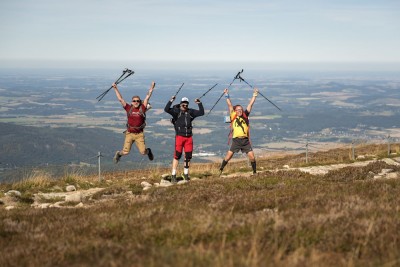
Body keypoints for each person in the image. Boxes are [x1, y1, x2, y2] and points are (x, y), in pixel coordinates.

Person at [112, 81, 155, 163]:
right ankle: (118, 154)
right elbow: (120, 99)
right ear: (132, 102)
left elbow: (147, 97)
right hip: (130, 133)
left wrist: (152, 87)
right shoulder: (129, 108)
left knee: (143, 152)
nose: (136, 102)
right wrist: (115, 88)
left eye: (137, 101)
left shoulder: (143, 108)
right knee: (125, 152)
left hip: (139, 134)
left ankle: (148, 151)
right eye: (134, 101)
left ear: (140, 102)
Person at [164, 96, 204, 183]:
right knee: (177, 155)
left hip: (189, 137)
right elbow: (166, 109)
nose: (185, 106)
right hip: (180, 137)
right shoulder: (176, 112)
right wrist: (171, 100)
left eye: (186, 104)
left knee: (188, 156)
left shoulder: (190, 112)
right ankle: (173, 175)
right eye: (183, 104)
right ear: (180, 104)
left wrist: (199, 103)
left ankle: (185, 174)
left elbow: (202, 112)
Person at [219, 87, 259, 175]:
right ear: (235, 111)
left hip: (245, 140)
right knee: (228, 156)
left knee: (252, 157)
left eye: (241, 110)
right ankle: (221, 168)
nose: (240, 111)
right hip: (236, 140)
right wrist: (226, 94)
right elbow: (230, 105)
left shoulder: (245, 115)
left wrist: (254, 95)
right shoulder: (233, 115)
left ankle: (255, 172)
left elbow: (250, 105)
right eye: (238, 110)